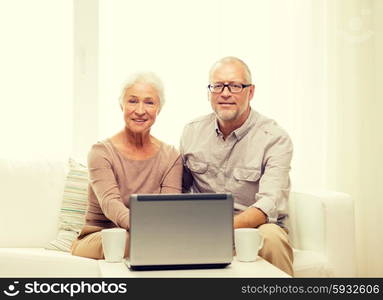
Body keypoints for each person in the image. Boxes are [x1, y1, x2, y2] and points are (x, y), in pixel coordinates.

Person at [180, 57, 294, 276]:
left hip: (257, 228)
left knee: (273, 237)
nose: (225, 93)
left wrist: (222, 228)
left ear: (250, 92)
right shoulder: (191, 132)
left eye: (234, 86)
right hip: (204, 228)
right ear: (208, 92)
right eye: (217, 86)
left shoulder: (274, 138)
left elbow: (268, 204)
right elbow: (180, 189)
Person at [71, 72, 182, 259]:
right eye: (132, 101)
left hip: (151, 236)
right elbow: (110, 203)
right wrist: (150, 230)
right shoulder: (101, 152)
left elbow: (168, 209)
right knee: (126, 242)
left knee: (173, 242)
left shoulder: (171, 156)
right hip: (101, 236)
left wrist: (159, 232)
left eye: (149, 102)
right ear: (121, 104)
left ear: (159, 108)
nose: (140, 110)